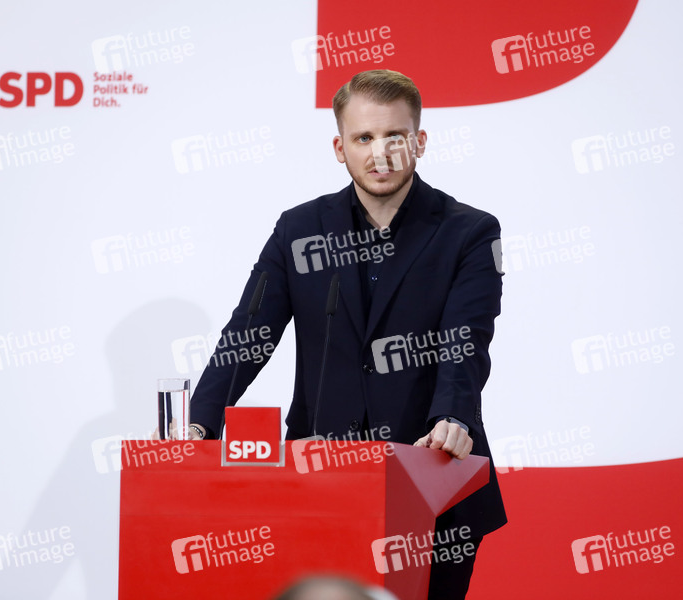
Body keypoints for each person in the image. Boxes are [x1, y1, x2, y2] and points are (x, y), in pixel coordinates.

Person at [189, 69, 506, 599]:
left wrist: (451, 418)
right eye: (364, 138)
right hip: (318, 481)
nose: (380, 154)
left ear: (419, 142)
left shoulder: (469, 231)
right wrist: (199, 424)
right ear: (340, 148)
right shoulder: (299, 230)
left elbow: (465, 341)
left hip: (433, 481)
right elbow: (249, 332)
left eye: (395, 136)